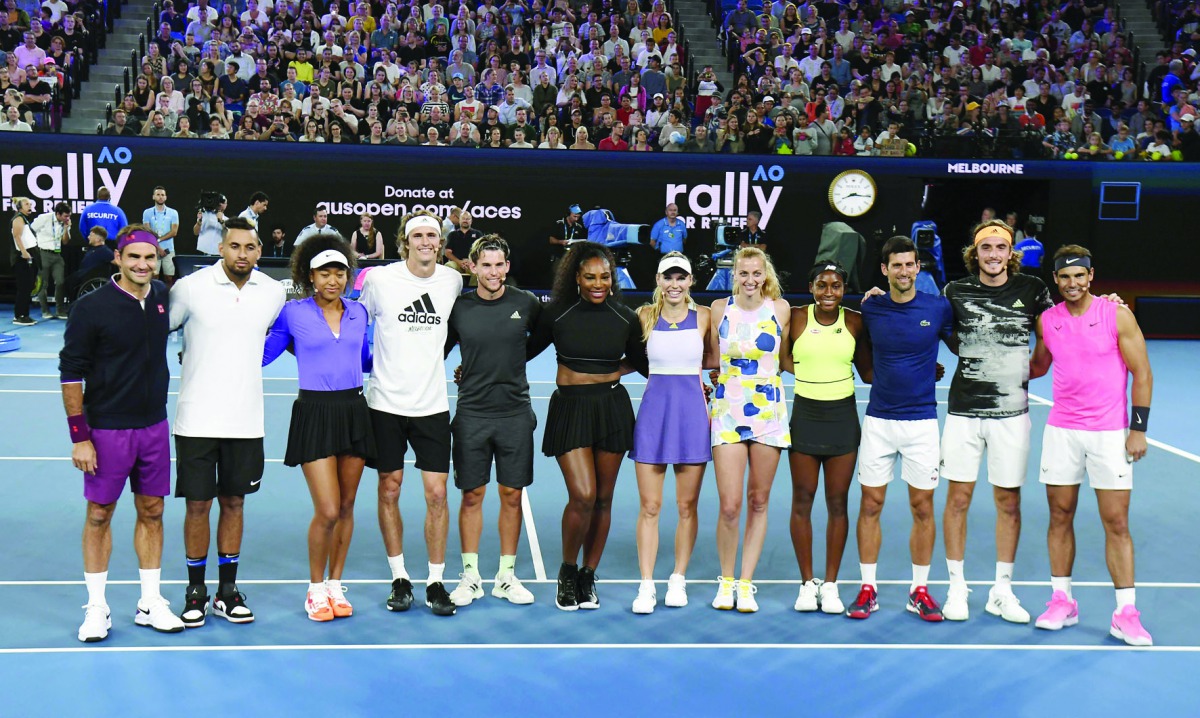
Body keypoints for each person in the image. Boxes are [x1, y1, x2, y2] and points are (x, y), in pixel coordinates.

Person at [59, 226, 185, 641]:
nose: (143, 265)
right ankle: (97, 608)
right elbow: (71, 370)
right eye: (134, 257)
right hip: (107, 430)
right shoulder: (91, 307)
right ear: (118, 258)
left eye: (150, 258)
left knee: (153, 511)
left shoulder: (163, 299)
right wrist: (80, 436)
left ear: (157, 258)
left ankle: (150, 601)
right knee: (99, 515)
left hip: (154, 426)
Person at [1029, 245, 1154, 647]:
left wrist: (1138, 428)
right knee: (1059, 515)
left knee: (1116, 521)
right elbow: (1038, 365)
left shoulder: (1117, 314)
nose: (1072, 283)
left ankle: (1126, 613)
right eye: (1064, 277)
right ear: (1056, 280)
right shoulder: (1047, 321)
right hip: (1062, 431)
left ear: (1091, 275)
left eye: (1079, 275)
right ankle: (1062, 601)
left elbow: (1142, 373)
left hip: (1108, 433)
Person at [169, 217, 287, 628]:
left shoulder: (272, 293)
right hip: (196, 419)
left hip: (246, 420)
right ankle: (195, 591)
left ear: (259, 250)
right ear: (221, 248)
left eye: (250, 247)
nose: (242, 254)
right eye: (234, 246)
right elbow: (153, 331)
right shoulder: (189, 288)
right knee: (197, 505)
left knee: (234, 503)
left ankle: (227, 591)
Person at [935, 221, 1054, 623]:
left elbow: (1055, 334)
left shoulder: (1033, 290)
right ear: (975, 252)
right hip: (964, 412)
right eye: (985, 247)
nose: (993, 254)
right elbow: (939, 331)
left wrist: (1025, 372)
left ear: (1010, 253)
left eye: (1000, 247)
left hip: (1012, 414)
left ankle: (1001, 591)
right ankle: (957, 588)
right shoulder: (954, 291)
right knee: (958, 499)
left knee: (1009, 501)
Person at [527, 242, 647, 611]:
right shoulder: (557, 315)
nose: (598, 283)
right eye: (590, 277)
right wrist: (476, 367)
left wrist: (615, 371)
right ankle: (567, 571)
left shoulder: (626, 317)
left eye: (605, 277)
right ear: (575, 278)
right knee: (583, 495)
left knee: (603, 499)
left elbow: (646, 362)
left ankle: (588, 574)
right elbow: (521, 352)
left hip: (611, 408)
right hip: (571, 410)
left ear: (612, 279)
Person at [263, 234, 375, 621]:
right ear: (311, 277)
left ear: (348, 277)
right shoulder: (293, 312)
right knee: (327, 509)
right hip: (314, 412)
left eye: (339, 273)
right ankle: (314, 589)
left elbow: (366, 359)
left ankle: (334, 584)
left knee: (346, 506)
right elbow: (265, 353)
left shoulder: (359, 313)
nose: (333, 280)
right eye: (325, 273)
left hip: (355, 410)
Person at [359, 210, 463, 616]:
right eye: (417, 235)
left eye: (432, 236)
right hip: (385, 404)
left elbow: (460, 328)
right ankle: (399, 577)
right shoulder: (380, 280)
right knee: (389, 488)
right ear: (405, 241)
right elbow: (353, 321)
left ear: (440, 242)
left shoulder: (452, 280)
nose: (425, 242)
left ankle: (435, 581)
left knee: (437, 494)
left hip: (432, 405)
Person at [849, 236, 953, 622]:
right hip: (878, 421)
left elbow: (961, 343)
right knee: (870, 505)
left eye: (910, 265)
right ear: (884, 270)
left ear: (918, 267)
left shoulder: (938, 308)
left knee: (922, 506)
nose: (905, 271)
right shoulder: (872, 308)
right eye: (897, 266)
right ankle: (868, 588)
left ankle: (919, 590)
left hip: (922, 422)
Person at [444, 235, 541, 607]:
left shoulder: (526, 304)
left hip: (515, 413)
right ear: (472, 267)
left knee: (511, 494)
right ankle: (470, 575)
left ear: (507, 267)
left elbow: (542, 339)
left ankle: (505, 576)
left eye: (499, 265)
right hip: (472, 414)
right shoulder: (460, 308)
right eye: (486, 265)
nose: (494, 272)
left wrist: (513, 360)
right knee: (472, 495)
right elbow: (438, 347)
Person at [784, 261, 872, 614]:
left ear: (844, 288)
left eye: (836, 285)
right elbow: (777, 359)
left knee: (838, 503)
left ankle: (831, 585)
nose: (829, 292)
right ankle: (807, 584)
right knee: (802, 500)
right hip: (805, 417)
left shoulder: (854, 321)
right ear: (811, 287)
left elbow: (868, 372)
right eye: (822, 285)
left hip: (842, 420)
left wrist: (920, 368)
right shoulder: (795, 317)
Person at [707, 247, 791, 612]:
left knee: (759, 500)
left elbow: (785, 360)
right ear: (734, 275)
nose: (750, 279)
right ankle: (726, 581)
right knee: (730, 505)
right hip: (727, 411)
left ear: (766, 274)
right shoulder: (717, 309)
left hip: (769, 413)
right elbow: (711, 358)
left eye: (756, 273)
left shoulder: (781, 309)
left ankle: (745, 582)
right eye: (743, 273)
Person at [629, 253, 712, 614]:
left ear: (691, 280)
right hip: (653, 415)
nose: (674, 284)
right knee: (650, 505)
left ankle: (677, 578)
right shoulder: (644, 316)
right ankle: (646, 584)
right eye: (668, 277)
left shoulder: (706, 316)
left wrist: (713, 382)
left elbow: (716, 358)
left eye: (681, 277)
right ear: (659, 281)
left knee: (685, 505)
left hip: (692, 415)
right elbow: (630, 358)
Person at [31, 201, 71, 319]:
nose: (67, 218)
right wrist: (35, 246)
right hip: (43, 253)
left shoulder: (66, 223)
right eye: (65, 216)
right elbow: (31, 229)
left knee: (60, 282)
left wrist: (66, 228)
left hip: (57, 255)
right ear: (58, 214)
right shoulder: (44, 218)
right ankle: (45, 311)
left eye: (69, 216)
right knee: (43, 284)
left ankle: (60, 310)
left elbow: (65, 241)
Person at [141, 186, 179, 285]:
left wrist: (158, 240)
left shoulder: (173, 212)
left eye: (162, 195)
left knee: (169, 278)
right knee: (153, 277)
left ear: (166, 197)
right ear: (153, 197)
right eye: (158, 194)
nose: (160, 197)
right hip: (153, 249)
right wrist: (157, 247)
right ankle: (153, 299)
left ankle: (169, 299)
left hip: (168, 250)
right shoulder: (147, 212)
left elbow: (174, 232)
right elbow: (147, 232)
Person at [9, 196, 36, 325]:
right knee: (23, 287)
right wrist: (24, 252)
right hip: (21, 258)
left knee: (28, 287)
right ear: (20, 207)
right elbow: (17, 236)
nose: (29, 206)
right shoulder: (18, 218)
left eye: (30, 204)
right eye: (26, 204)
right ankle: (19, 315)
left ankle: (25, 314)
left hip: (27, 256)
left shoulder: (24, 218)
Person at [547, 203, 587, 270]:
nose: (576, 219)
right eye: (574, 216)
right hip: (559, 257)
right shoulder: (559, 223)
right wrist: (560, 242)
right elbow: (550, 239)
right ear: (568, 214)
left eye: (578, 217)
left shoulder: (579, 227)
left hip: (572, 258)